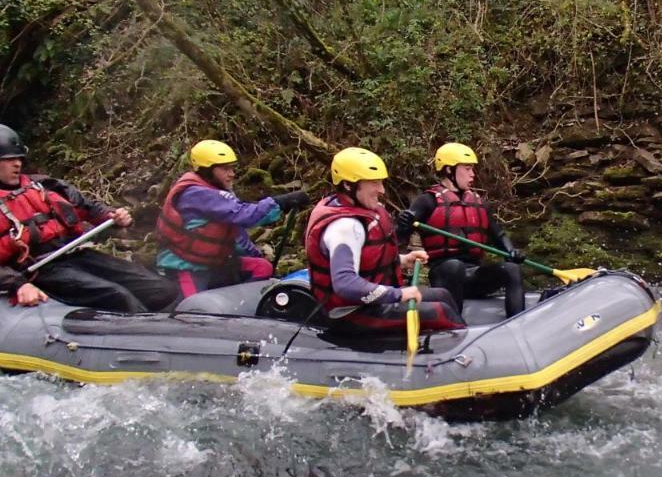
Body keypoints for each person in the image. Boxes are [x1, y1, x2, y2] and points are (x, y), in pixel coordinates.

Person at [0, 124, 178, 312]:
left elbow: (89, 208)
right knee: (118, 297)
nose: (17, 163)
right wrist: (18, 284)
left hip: (76, 255)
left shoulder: (45, 185)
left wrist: (113, 216)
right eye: (8, 159)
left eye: (18, 157)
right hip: (39, 270)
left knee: (161, 289)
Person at [304, 146, 465, 335]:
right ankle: (465, 353)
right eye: (374, 183)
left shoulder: (355, 209)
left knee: (442, 295)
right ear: (349, 185)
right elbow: (345, 283)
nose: (381, 189)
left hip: (372, 302)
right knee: (441, 312)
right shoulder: (344, 227)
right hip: (350, 313)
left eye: (380, 182)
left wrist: (403, 260)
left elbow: (367, 261)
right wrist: (399, 294)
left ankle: (459, 340)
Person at [156, 139, 309, 296]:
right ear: (207, 170)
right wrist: (280, 202)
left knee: (262, 268)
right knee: (190, 310)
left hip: (212, 263)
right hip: (185, 265)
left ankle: (244, 309)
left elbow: (238, 236)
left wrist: (256, 255)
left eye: (231, 168)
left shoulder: (216, 190)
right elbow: (245, 216)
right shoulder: (197, 193)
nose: (232, 174)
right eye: (224, 169)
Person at [398, 142, 526, 318]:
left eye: (472, 169)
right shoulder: (427, 200)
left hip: (474, 276)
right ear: (449, 170)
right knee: (454, 266)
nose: (473, 174)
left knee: (511, 269)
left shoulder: (479, 202)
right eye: (467, 169)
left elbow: (499, 234)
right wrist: (404, 223)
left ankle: (519, 321)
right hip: (445, 276)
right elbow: (398, 237)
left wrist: (511, 251)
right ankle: (455, 324)